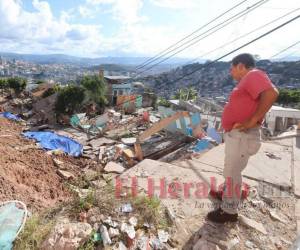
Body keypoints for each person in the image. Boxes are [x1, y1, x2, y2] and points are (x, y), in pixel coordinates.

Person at [206, 53, 279, 223]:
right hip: (238, 136)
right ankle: (227, 195)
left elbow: (272, 93)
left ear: (241, 66)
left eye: (232, 68)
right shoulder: (247, 81)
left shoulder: (253, 74)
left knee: (232, 172)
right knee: (231, 169)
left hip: (242, 136)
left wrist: (251, 121)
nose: (231, 72)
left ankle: (229, 211)